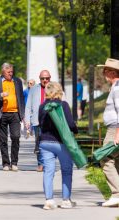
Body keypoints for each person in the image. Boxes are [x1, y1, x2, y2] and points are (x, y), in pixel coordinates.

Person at [39, 82, 78, 210]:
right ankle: (66, 200)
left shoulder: (42, 106)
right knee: (66, 171)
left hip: (45, 143)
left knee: (48, 171)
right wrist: (75, 130)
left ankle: (49, 201)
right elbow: (70, 124)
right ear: (59, 92)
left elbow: (40, 123)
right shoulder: (63, 105)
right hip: (61, 143)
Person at [0, 63, 25, 171]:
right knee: (3, 140)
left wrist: (23, 114)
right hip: (1, 114)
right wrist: (0, 95)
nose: (11, 74)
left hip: (15, 114)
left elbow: (21, 98)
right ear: (3, 71)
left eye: (12, 72)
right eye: (9, 72)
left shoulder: (17, 81)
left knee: (16, 137)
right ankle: (5, 163)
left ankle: (14, 162)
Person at [97, 58, 119, 207]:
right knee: (115, 161)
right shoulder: (115, 87)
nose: (103, 72)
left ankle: (117, 194)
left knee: (105, 159)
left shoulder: (117, 88)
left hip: (115, 129)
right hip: (113, 128)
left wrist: (118, 133)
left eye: (105, 70)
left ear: (112, 72)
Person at [25, 70, 51, 172]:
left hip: (51, 120)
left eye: (47, 78)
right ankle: (40, 163)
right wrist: (27, 121)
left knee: (49, 142)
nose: (45, 80)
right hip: (37, 120)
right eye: (42, 78)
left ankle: (48, 162)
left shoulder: (54, 88)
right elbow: (28, 106)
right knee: (39, 142)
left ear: (50, 78)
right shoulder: (34, 89)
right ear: (39, 79)